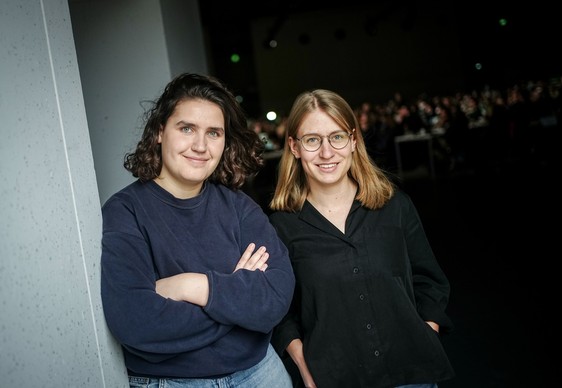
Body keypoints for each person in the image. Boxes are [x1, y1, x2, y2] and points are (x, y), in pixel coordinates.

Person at [100, 73, 295, 387]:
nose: (201, 146)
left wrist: (191, 286)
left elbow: (274, 297)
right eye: (187, 128)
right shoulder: (125, 212)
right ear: (160, 131)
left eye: (214, 133)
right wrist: (236, 304)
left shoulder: (240, 207)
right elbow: (136, 321)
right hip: (174, 382)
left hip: (259, 374)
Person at [268, 89, 455, 388]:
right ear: (294, 147)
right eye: (313, 140)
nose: (327, 152)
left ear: (353, 140)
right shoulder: (281, 227)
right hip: (336, 378)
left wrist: (425, 332)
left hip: (411, 373)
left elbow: (430, 280)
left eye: (337, 137)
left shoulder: (394, 205)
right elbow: (279, 312)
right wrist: (304, 364)